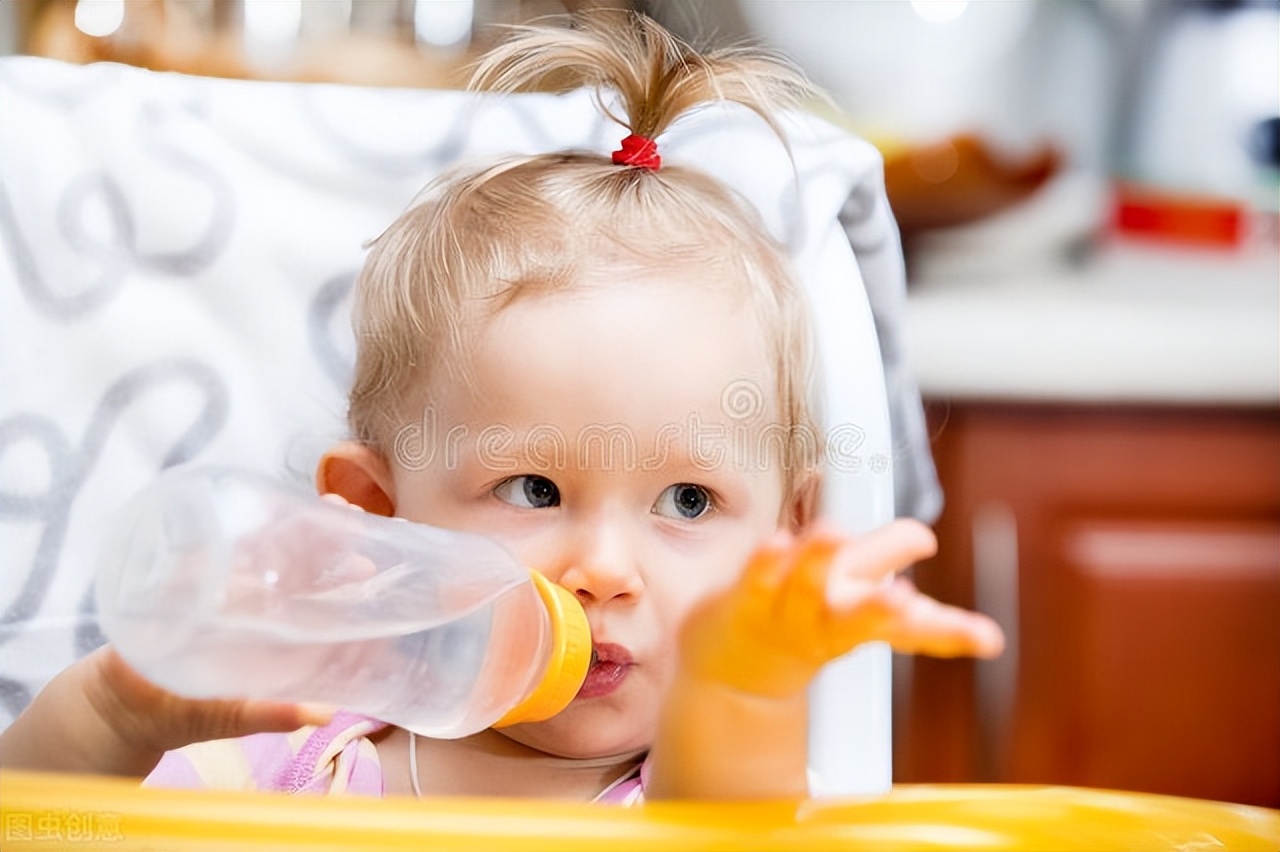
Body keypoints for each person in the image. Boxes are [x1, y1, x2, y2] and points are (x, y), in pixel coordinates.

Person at [0, 13, 1002, 802]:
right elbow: (42, 823)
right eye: (531, 488)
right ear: (376, 517)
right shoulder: (286, 755)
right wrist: (109, 721)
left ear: (786, 534)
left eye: (688, 503)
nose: (601, 572)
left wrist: (744, 675)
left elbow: (727, 805)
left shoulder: (701, 797)